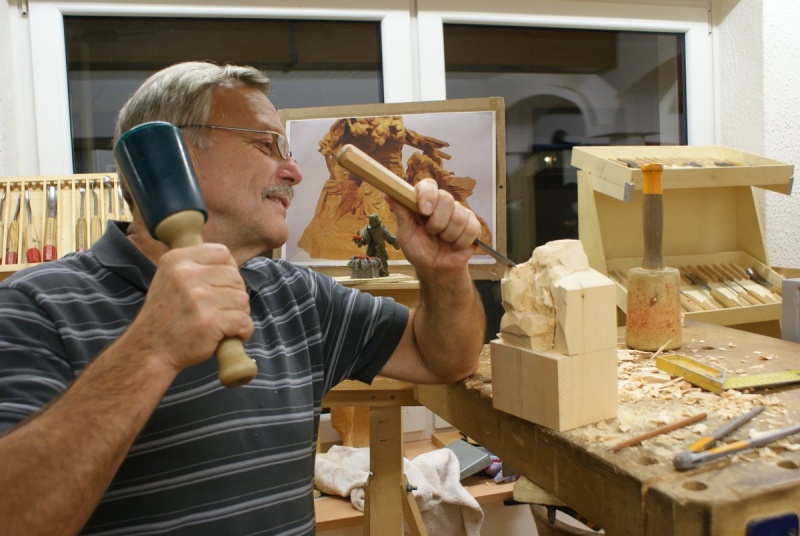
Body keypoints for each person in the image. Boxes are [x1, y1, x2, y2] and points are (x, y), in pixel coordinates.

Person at [0, 61, 485, 535]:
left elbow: (444, 357)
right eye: (266, 144)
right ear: (172, 152)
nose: (294, 172)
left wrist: (443, 274)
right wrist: (149, 349)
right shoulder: (34, 306)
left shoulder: (295, 294)